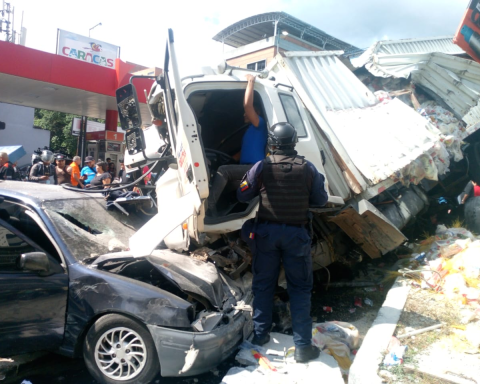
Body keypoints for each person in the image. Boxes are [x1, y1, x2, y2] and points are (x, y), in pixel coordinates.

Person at [237, 122, 328, 363]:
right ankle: (302, 347)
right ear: (294, 142)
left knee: (264, 285)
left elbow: (242, 193)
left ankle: (260, 335)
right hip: (296, 237)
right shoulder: (308, 169)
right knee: (299, 289)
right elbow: (320, 200)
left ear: (271, 143)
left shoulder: (261, 167)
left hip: (266, 235)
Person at [207, 74, 268, 215]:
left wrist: (251, 82)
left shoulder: (260, 124)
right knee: (229, 185)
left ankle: (209, 207)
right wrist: (231, 158)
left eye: (247, 114)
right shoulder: (250, 132)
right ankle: (226, 212)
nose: (244, 115)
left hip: (255, 168)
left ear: (257, 112)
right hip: (246, 167)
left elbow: (247, 106)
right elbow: (244, 151)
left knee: (224, 171)